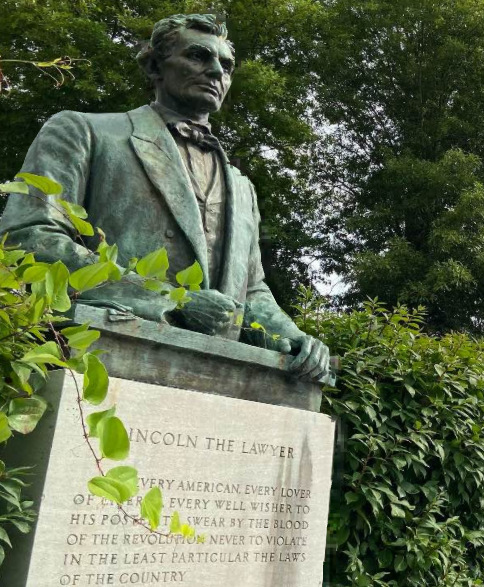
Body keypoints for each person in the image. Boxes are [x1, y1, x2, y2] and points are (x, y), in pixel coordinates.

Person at [0, 14, 330, 382]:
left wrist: (293, 336)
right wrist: (172, 301)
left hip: (220, 375)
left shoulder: (242, 187)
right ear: (156, 65)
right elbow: (29, 237)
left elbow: (250, 289)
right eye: (198, 56)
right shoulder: (85, 132)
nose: (215, 71)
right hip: (107, 354)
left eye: (226, 65)